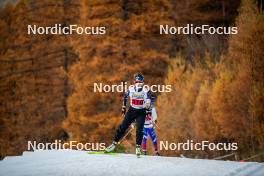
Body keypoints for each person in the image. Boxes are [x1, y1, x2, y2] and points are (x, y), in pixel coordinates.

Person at [105, 73, 154, 157]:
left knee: (139, 129)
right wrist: (124, 107)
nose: (139, 83)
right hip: (132, 110)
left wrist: (149, 109)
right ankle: (113, 144)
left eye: (140, 82)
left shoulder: (146, 90)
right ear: (134, 82)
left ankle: (138, 147)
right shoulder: (131, 89)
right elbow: (125, 96)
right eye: (137, 81)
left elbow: (151, 99)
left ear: (143, 82)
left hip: (141, 112)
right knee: (123, 127)